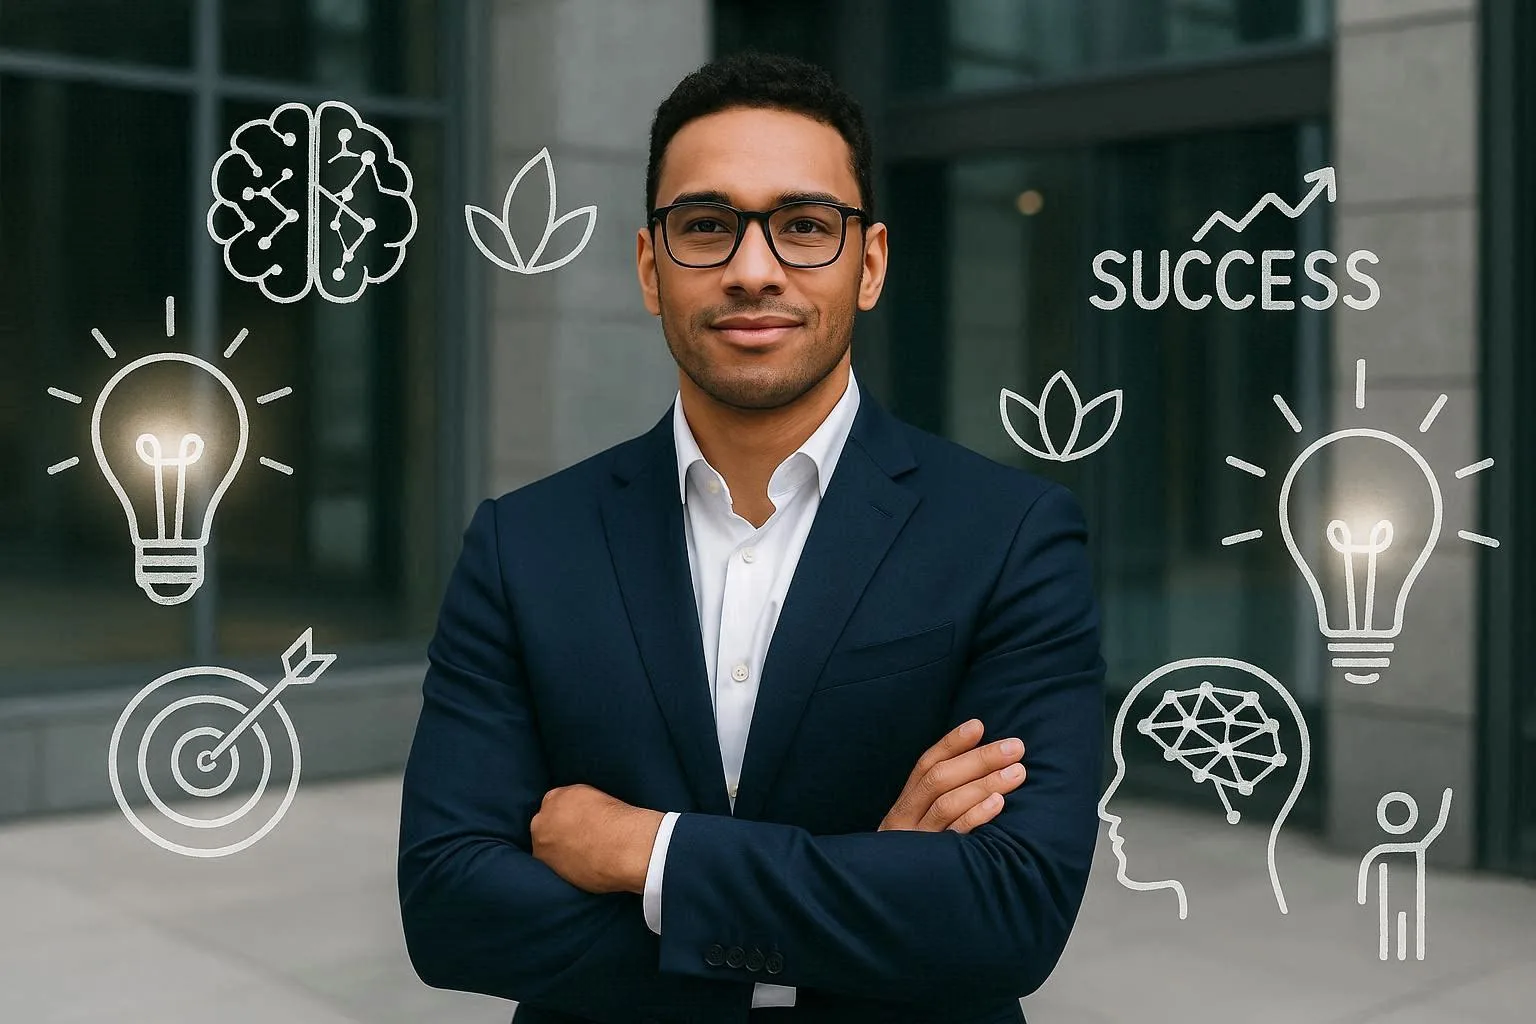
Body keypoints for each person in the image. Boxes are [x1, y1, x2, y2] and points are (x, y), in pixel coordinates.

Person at [398, 50, 1106, 1024]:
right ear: (652, 267)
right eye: (707, 226)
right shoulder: (523, 546)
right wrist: (865, 898)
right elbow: (449, 909)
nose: (753, 269)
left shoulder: (1012, 537)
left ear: (873, 264)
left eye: (806, 226)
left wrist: (648, 852)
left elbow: (1009, 911)